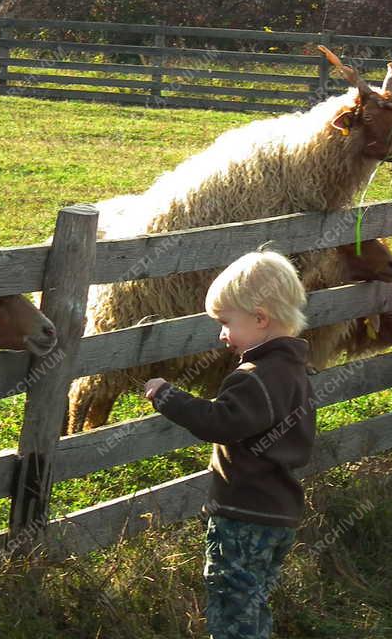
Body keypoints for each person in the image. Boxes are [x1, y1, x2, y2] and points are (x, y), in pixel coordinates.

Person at [144, 250, 315, 639]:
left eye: (226, 323)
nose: (222, 334)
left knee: (230, 606)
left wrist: (168, 397)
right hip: (278, 512)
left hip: (244, 514)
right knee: (252, 602)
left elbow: (219, 423)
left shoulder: (254, 377)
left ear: (260, 318)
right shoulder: (294, 371)